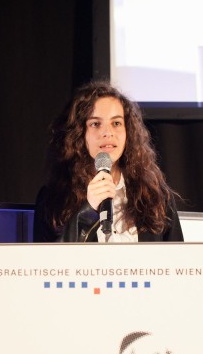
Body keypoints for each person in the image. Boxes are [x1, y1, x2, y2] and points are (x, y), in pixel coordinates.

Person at [33, 80, 184, 242]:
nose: (107, 132)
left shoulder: (155, 196)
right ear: (79, 133)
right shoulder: (53, 198)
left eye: (116, 123)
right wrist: (88, 211)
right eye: (95, 124)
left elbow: (178, 254)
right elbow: (47, 257)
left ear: (128, 132)